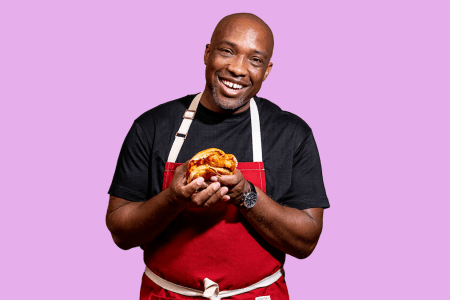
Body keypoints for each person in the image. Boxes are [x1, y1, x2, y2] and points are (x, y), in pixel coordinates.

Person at [107, 13, 329, 300]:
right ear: (207, 53)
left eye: (255, 60)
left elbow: (305, 242)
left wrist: (245, 195)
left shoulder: (291, 133)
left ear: (267, 70)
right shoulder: (152, 126)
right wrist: (173, 200)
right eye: (227, 51)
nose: (238, 69)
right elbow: (121, 234)